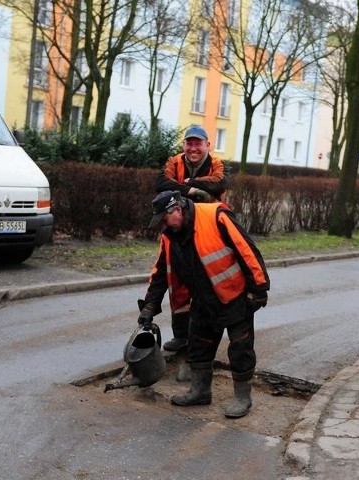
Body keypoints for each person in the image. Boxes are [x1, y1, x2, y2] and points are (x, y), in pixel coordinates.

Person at [137, 190, 270, 418]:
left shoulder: (215, 215)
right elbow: (160, 273)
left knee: (240, 348)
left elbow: (247, 251)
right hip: (202, 300)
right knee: (198, 345)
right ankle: (200, 391)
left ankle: (242, 398)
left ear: (176, 210)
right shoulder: (170, 236)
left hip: (234, 297)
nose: (162, 227)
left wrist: (258, 289)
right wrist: (149, 306)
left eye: (163, 220)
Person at [155, 125, 229, 352]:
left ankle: (202, 339)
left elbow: (219, 184)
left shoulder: (217, 164)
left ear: (208, 145)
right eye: (189, 143)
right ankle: (180, 336)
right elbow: (161, 184)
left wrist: (187, 183)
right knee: (175, 281)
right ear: (184, 145)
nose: (193, 148)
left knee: (206, 284)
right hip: (178, 227)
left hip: (209, 229)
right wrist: (195, 192)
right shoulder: (174, 162)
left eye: (198, 143)